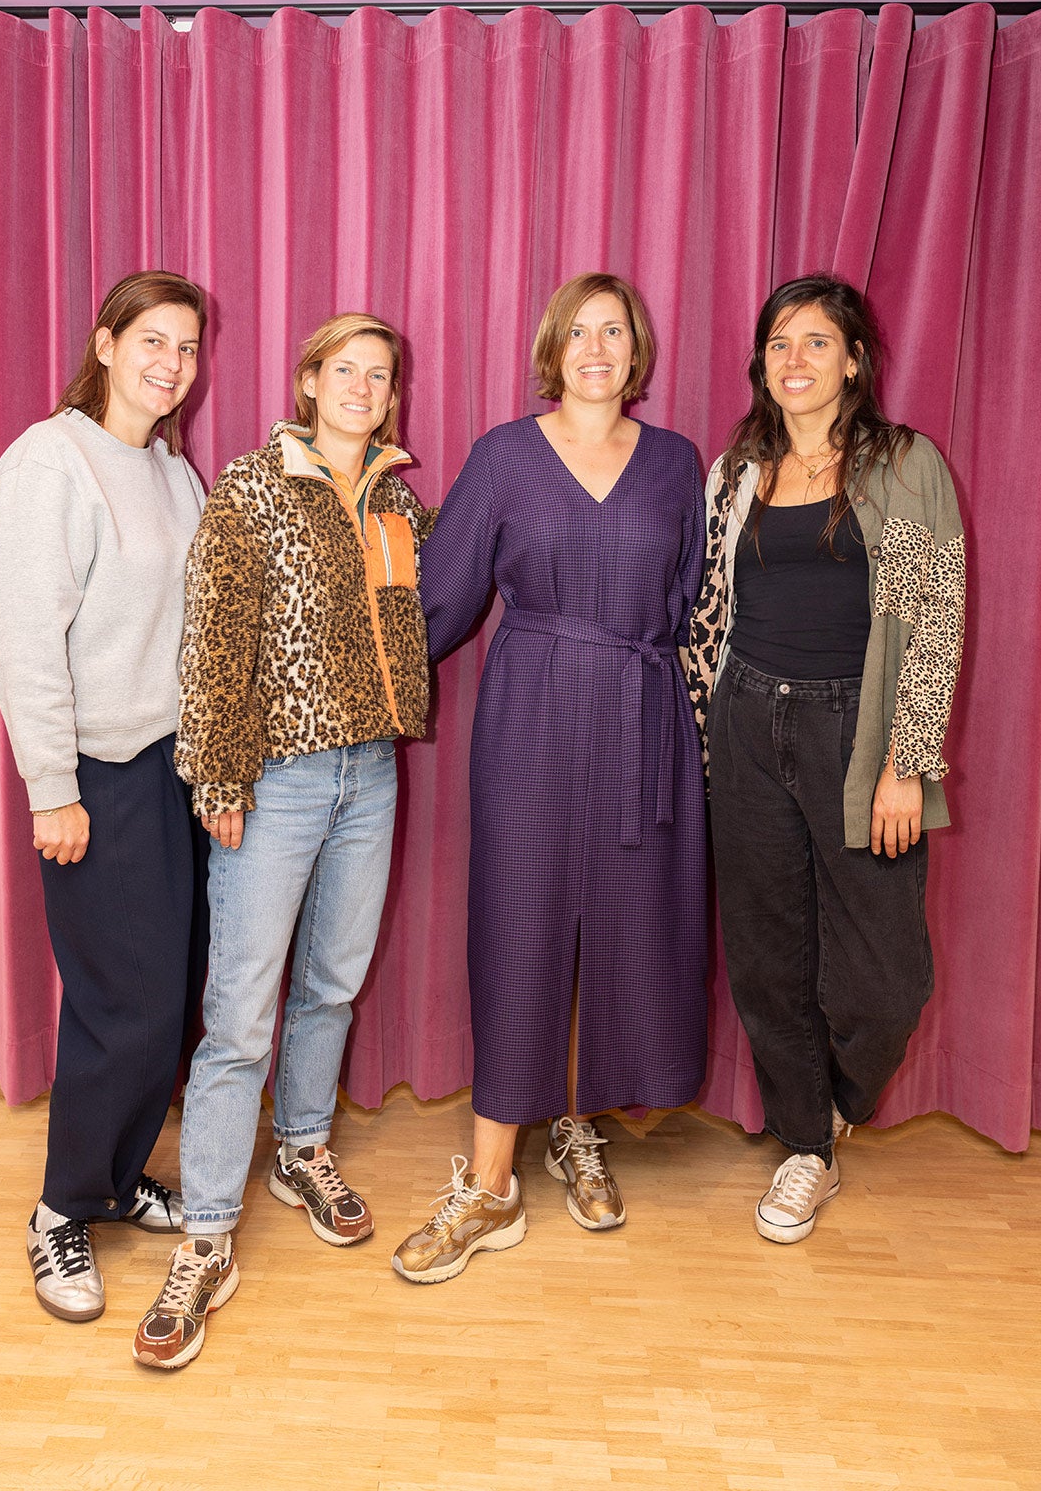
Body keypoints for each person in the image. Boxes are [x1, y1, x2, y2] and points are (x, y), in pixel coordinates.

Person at [392, 273, 708, 1284]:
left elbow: (695, 600)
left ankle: (578, 1126)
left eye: (614, 331)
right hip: (531, 714)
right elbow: (441, 596)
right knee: (521, 923)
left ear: (637, 350)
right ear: (552, 350)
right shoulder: (505, 456)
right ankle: (491, 1185)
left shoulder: (676, 461)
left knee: (624, 924)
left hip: (641, 717)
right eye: (579, 332)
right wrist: (354, 691)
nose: (597, 348)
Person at [132, 312, 433, 1369]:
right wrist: (218, 773)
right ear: (309, 381)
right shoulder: (252, 489)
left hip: (372, 773)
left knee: (334, 982)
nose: (362, 387)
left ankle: (302, 1148)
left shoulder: (397, 499)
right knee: (240, 1012)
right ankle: (208, 1236)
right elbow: (214, 639)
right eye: (344, 369)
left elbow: (417, 614)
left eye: (379, 374)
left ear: (391, 395)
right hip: (277, 778)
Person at [686, 273, 965, 1243]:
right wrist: (699, 739)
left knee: (887, 981)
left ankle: (838, 1100)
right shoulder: (735, 470)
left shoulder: (905, 463)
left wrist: (906, 760)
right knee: (768, 955)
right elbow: (705, 614)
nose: (794, 360)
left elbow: (935, 618)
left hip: (859, 733)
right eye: (778, 344)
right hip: (746, 720)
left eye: (816, 342)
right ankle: (806, 1144)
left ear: (853, 361)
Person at [0, 270, 210, 1321]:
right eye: (152, 340)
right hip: (95, 780)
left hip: (170, 773)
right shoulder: (50, 463)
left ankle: (117, 1180)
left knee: (166, 1000)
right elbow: (26, 643)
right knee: (122, 1005)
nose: (172, 363)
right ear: (106, 344)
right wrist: (52, 790)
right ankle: (60, 1209)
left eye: (187, 347)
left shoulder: (171, 471)